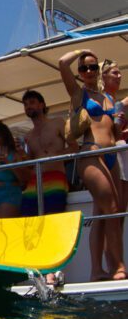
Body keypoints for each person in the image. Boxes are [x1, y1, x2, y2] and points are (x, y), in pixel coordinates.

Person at [59, 49, 125, 281]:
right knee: (113, 210)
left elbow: (115, 130)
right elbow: (61, 63)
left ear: (98, 70)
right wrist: (82, 51)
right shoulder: (79, 94)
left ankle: (97, 270)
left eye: (92, 67)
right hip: (91, 153)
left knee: (102, 213)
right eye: (83, 68)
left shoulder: (107, 97)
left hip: (111, 155)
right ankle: (118, 266)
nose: (88, 71)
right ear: (79, 72)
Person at [20, 90, 71, 217]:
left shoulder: (58, 123)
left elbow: (74, 147)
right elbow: (30, 163)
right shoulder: (28, 136)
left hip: (55, 178)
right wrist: (20, 153)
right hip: (33, 183)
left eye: (32, 102)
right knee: (29, 223)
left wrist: (56, 156)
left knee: (52, 220)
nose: (28, 106)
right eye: (25, 104)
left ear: (42, 105)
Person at [100, 59, 128, 228]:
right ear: (103, 76)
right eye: (114, 73)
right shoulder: (105, 100)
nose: (119, 76)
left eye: (120, 73)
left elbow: (117, 132)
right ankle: (112, 253)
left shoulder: (115, 101)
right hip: (112, 154)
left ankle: (116, 253)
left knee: (121, 210)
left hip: (120, 154)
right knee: (115, 210)